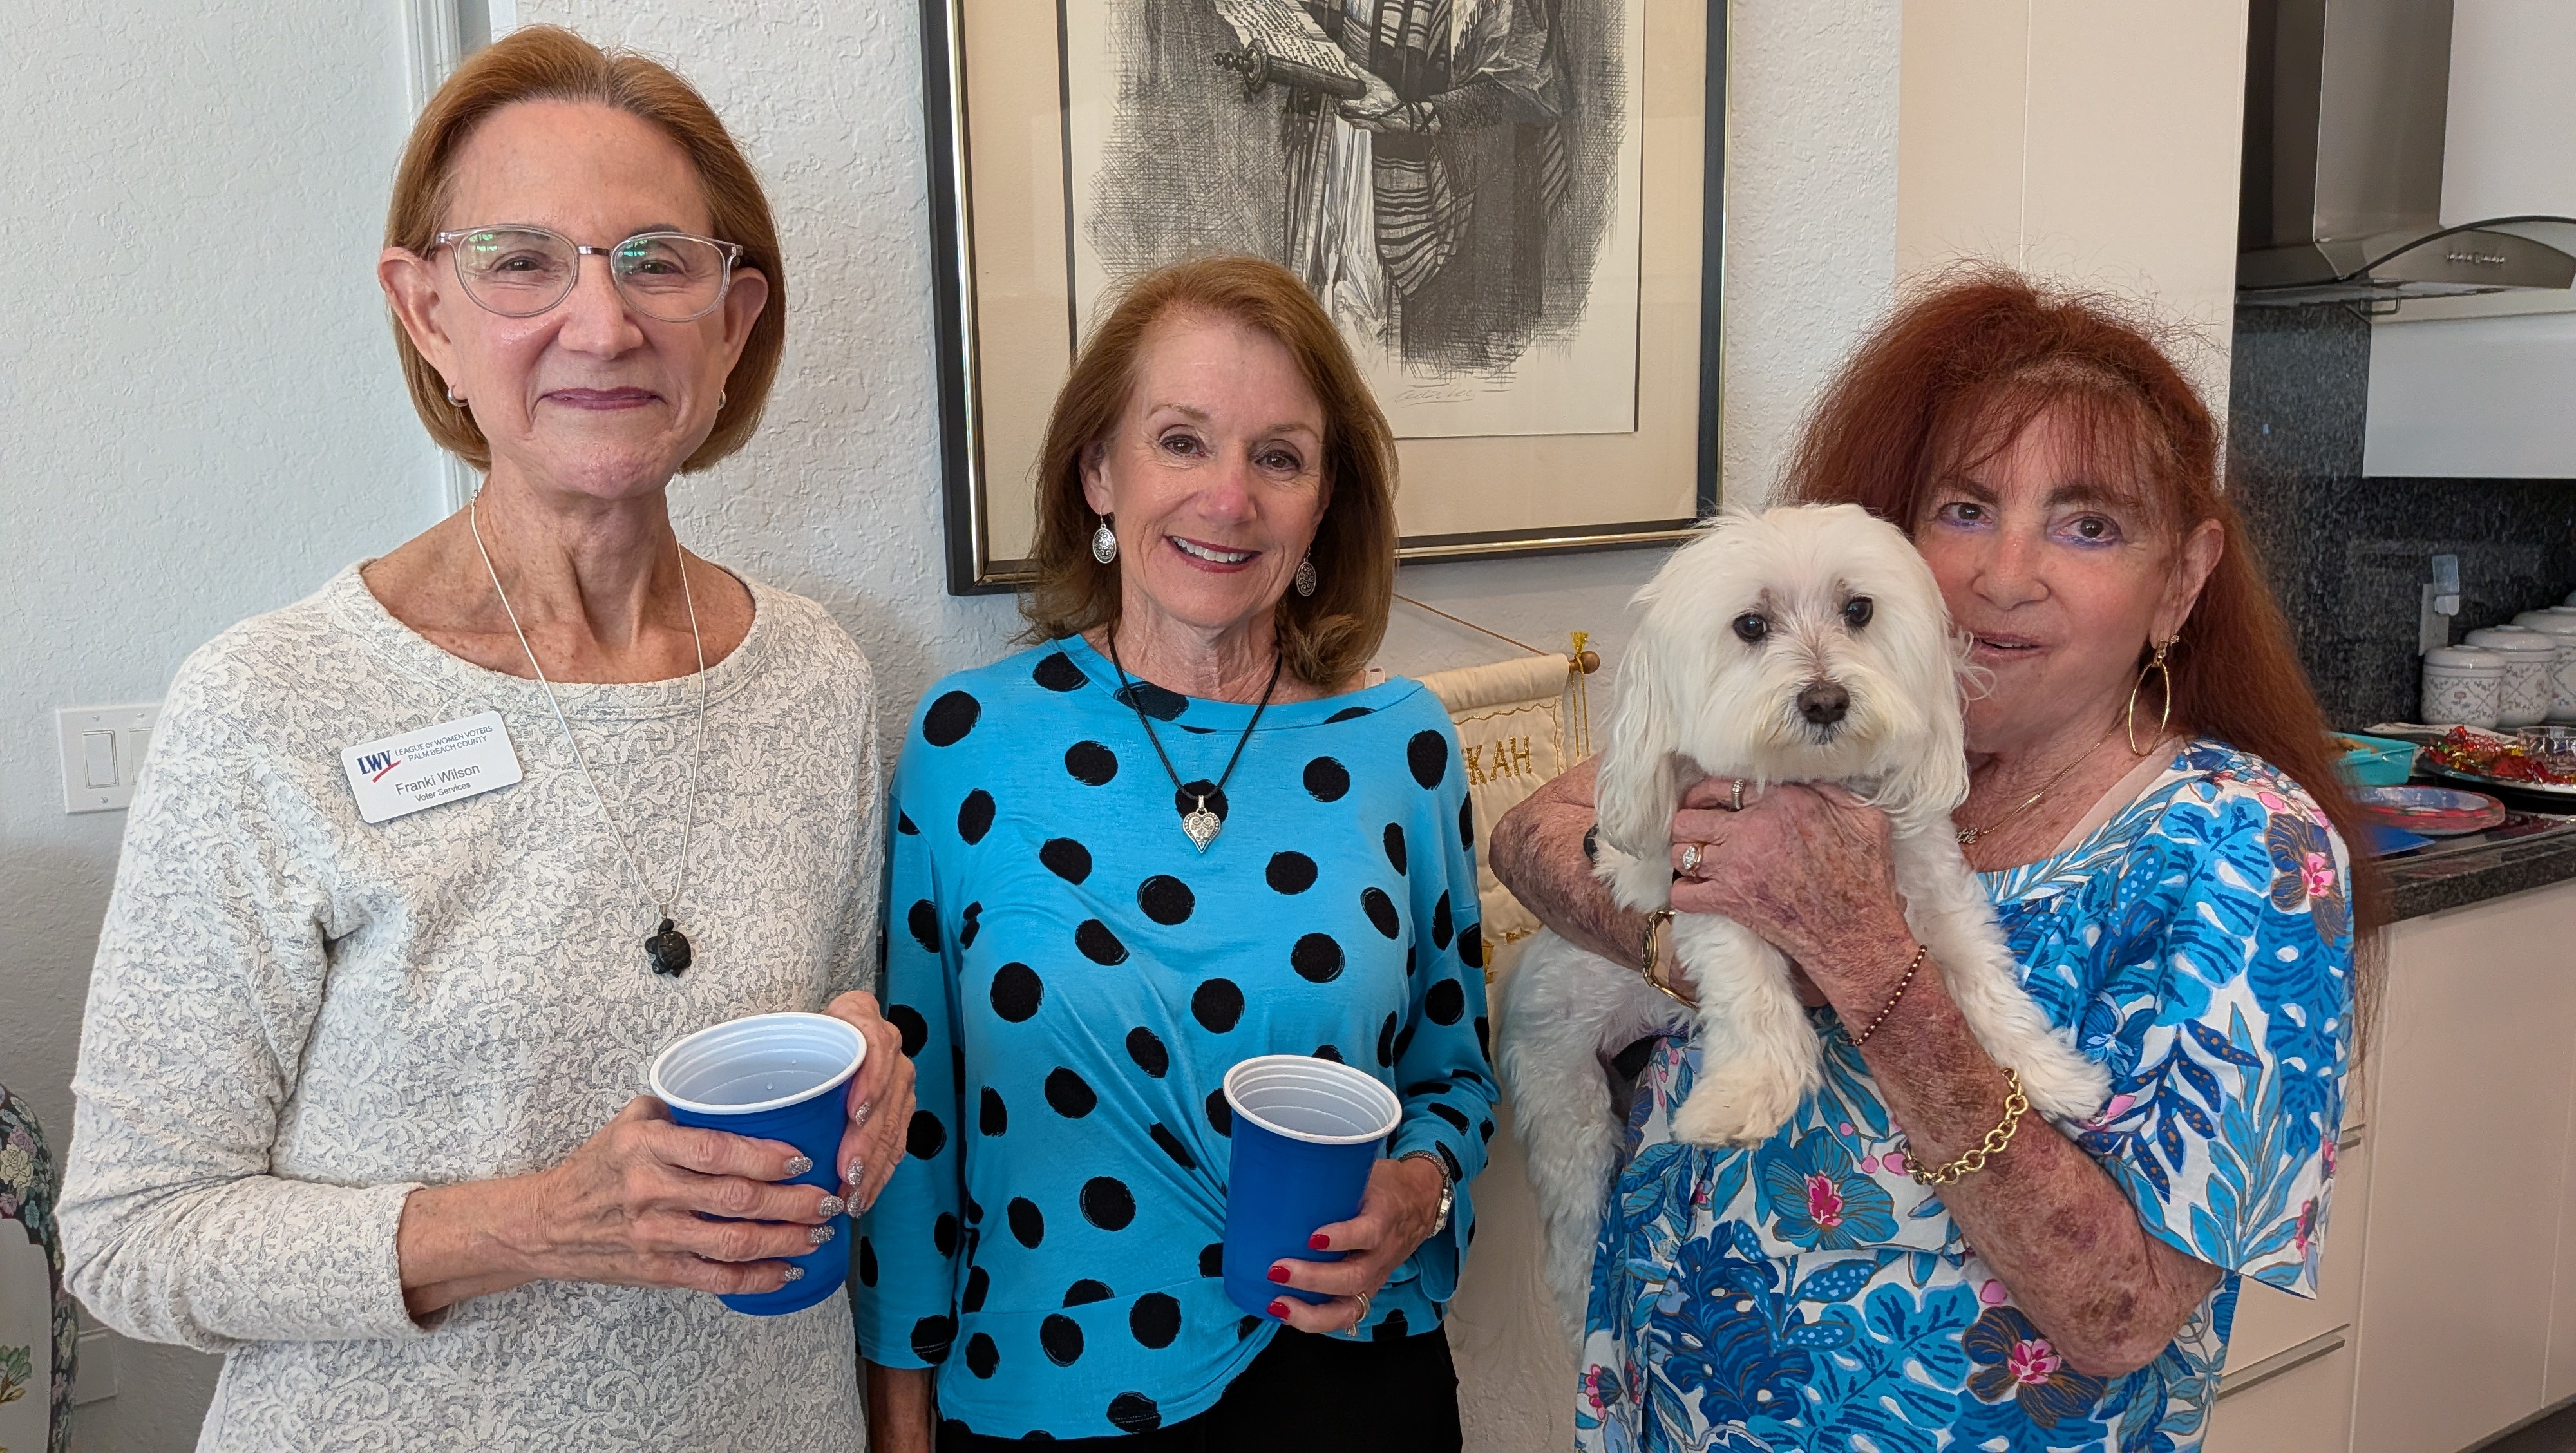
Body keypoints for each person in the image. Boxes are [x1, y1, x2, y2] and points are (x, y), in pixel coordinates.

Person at [57, 27, 913, 1449]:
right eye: (521, 262)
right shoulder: (270, 703)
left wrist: (863, 1051)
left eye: (657, 260)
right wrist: (534, 1225)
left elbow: (820, 1012)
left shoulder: (811, 677)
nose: (601, 323)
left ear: (734, 315)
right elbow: (132, 1240)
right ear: (426, 312)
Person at [1490, 272, 2378, 1451]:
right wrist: (1678, 940)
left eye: (2088, 525)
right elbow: (1535, 834)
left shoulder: (2247, 852)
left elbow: (2119, 1317)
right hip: (1671, 1403)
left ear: (2183, 581)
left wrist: (1864, 961)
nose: (2005, 575)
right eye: (1964, 510)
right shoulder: (1848, 739)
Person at [857, 255, 1494, 1450]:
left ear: (1322, 504)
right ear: (1100, 470)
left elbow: (1455, 1077)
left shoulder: (1400, 748)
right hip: (1050, 1395)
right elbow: (917, 1147)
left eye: (1280, 457)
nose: (1228, 499)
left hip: (1350, 1389)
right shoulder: (972, 745)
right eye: (1183, 441)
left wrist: (1418, 1193)